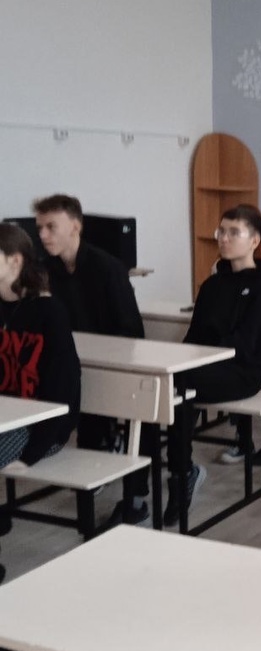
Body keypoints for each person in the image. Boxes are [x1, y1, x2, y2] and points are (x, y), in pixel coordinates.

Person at [33, 193, 152, 524]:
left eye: (51, 227)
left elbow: (132, 331)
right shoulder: (44, 272)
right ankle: (95, 457)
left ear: (75, 226)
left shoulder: (108, 268)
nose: (43, 235)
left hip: (114, 365)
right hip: (73, 366)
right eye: (39, 227)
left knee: (141, 412)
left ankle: (136, 495)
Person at [163, 204, 261, 526]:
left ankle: (181, 474)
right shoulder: (212, 286)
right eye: (222, 231)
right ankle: (170, 472)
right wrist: (178, 361)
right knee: (165, 383)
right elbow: (194, 335)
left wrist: (197, 362)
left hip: (245, 371)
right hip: (205, 367)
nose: (224, 238)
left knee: (181, 387)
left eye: (233, 232)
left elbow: (245, 343)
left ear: (254, 240)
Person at [0, 224, 80, 470]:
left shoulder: (49, 312)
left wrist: (29, 456)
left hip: (39, 429)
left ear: (15, 261)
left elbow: (63, 391)